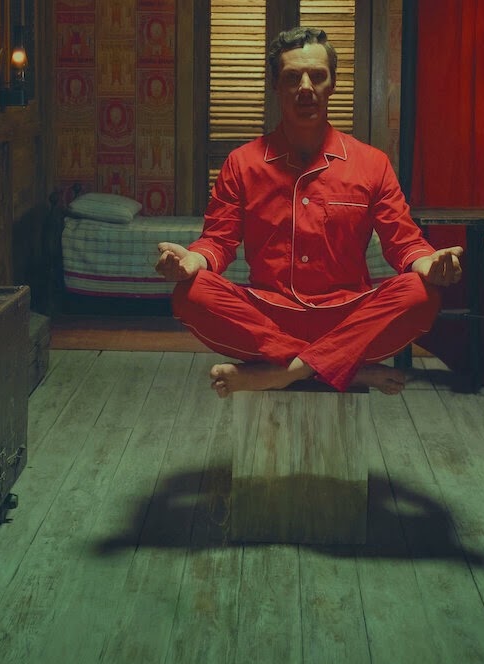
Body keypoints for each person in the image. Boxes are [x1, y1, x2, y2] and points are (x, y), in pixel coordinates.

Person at [155, 27, 463, 396]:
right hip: (268, 318)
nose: (305, 88)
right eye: (291, 77)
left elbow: (404, 242)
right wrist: (192, 261)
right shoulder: (242, 163)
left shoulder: (371, 163)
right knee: (189, 294)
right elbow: (218, 241)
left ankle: (283, 372)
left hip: (349, 318)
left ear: (332, 84)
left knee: (422, 293)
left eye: (317, 76)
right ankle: (344, 369)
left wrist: (429, 264)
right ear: (275, 85)